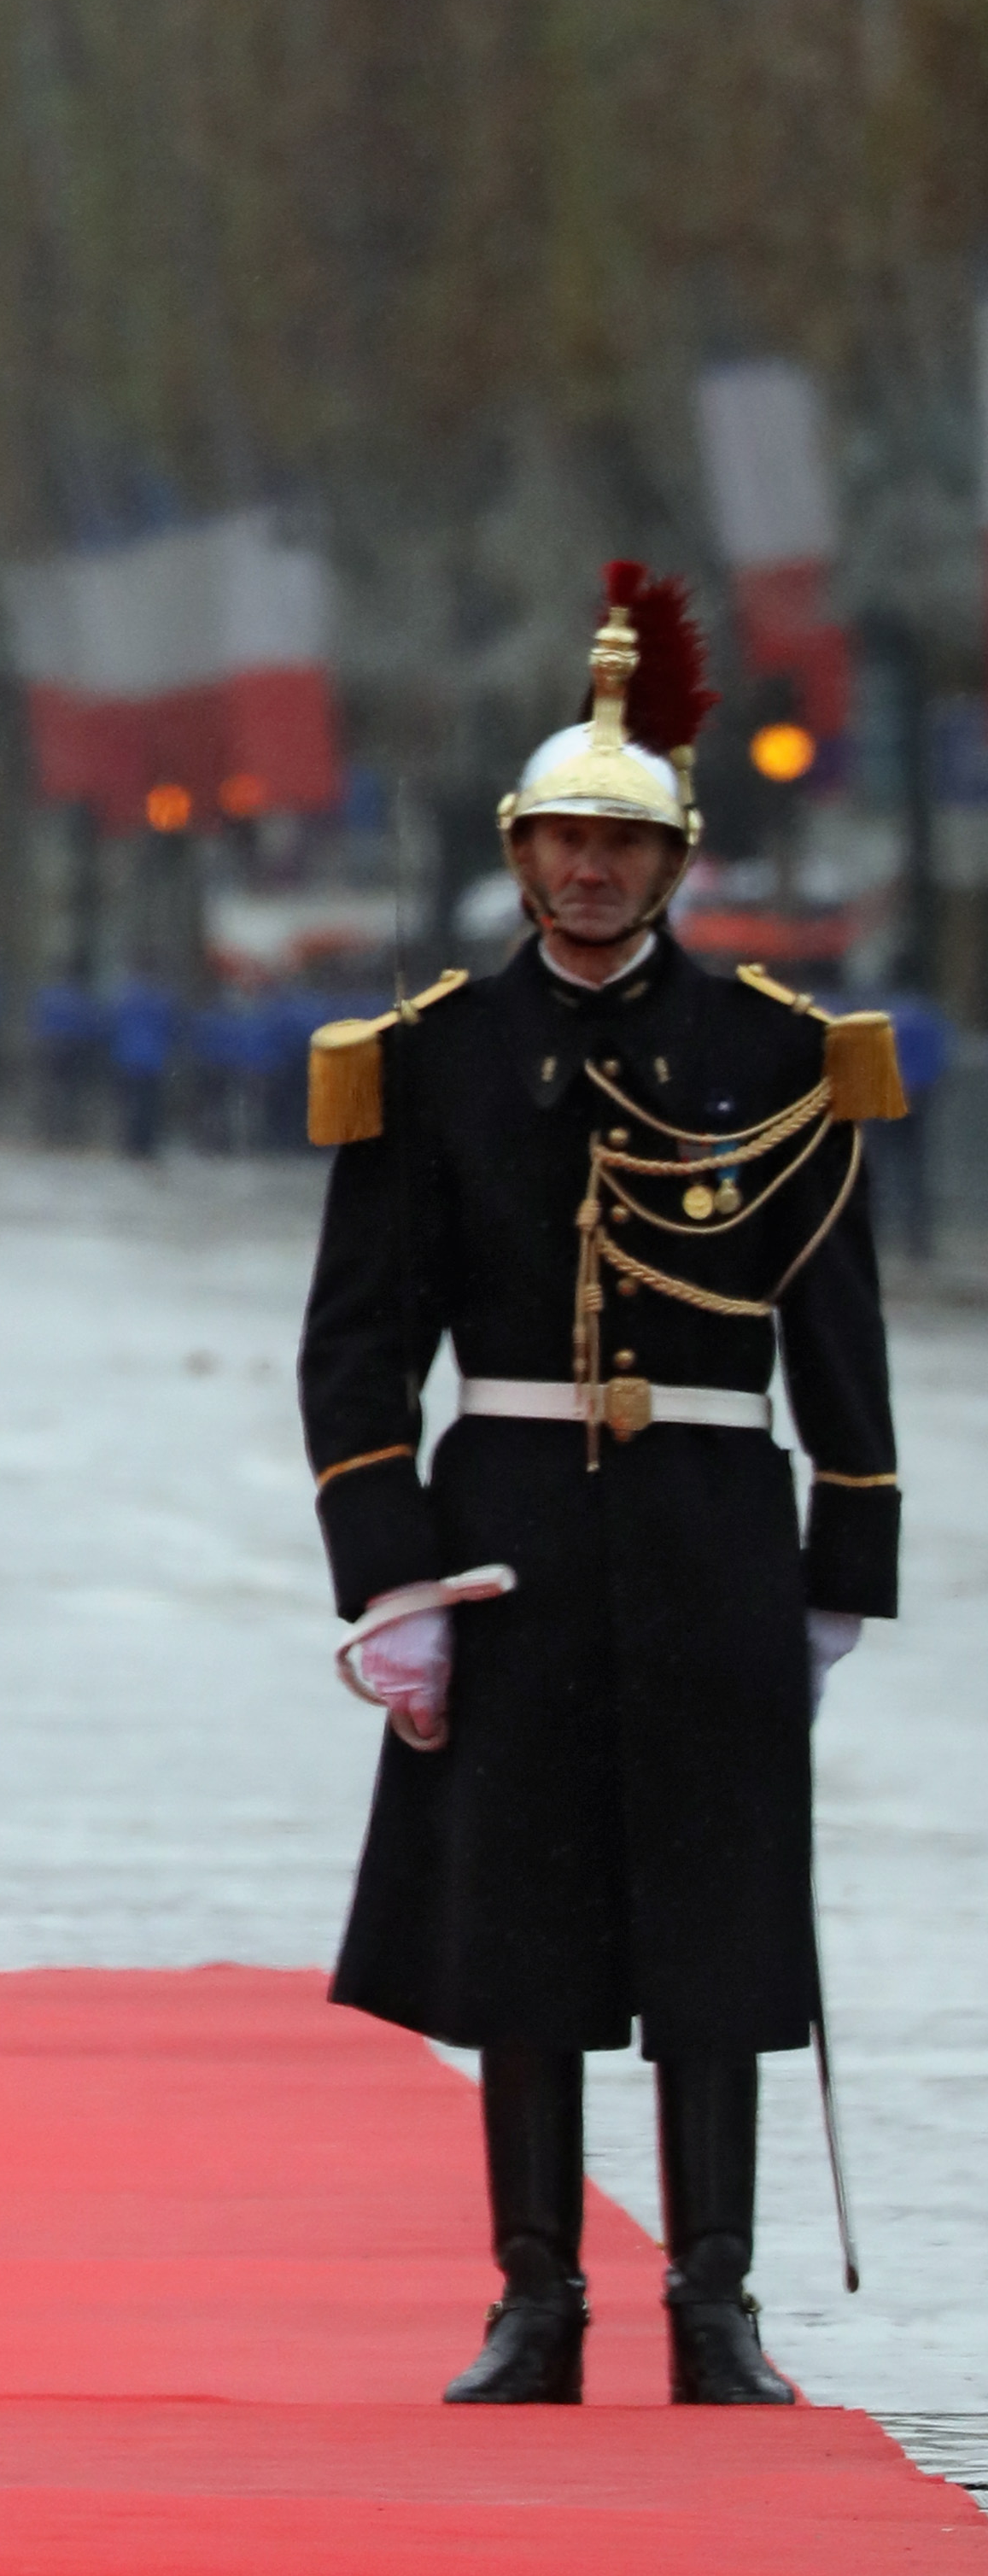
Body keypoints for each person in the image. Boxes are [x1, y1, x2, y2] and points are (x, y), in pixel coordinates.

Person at [297, 564, 897, 2407]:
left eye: (617, 851)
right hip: (510, 1543)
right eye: (559, 843)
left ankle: (711, 2301)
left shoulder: (775, 1059)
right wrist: (386, 1582)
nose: (584, 877)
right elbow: (352, 1347)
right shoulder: (424, 1063)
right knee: (525, 1930)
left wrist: (837, 1564)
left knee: (716, 1923)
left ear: (671, 866)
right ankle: (533, 2296)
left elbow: (836, 1337)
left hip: (710, 1531)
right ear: (516, 852)